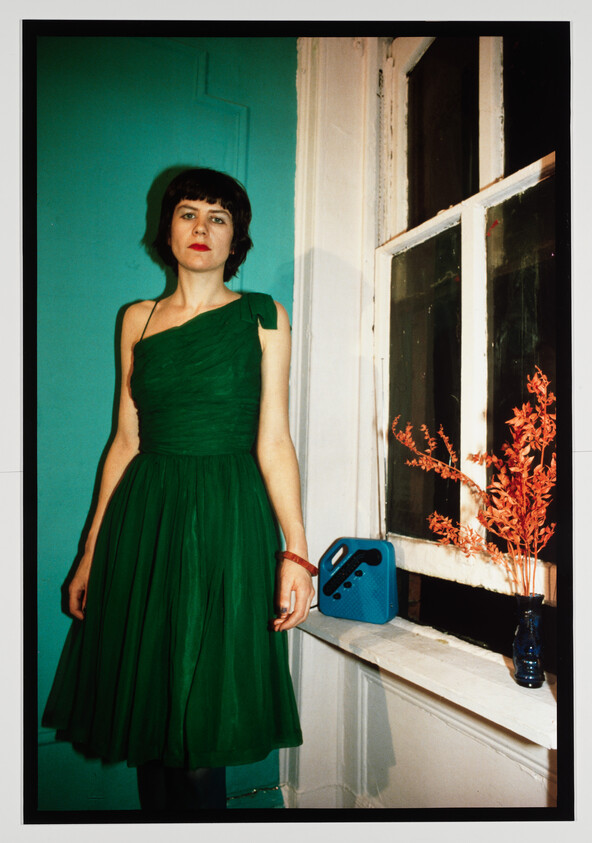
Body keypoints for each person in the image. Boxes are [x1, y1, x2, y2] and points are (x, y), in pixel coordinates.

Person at [42, 167, 316, 812]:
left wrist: (296, 551)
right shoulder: (135, 319)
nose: (201, 228)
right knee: (154, 710)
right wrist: (90, 551)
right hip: (146, 518)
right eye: (189, 213)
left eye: (218, 218)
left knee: (202, 715)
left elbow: (273, 438)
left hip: (227, 515)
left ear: (235, 238)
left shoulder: (262, 315)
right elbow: (125, 441)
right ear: (167, 229)